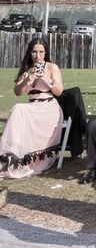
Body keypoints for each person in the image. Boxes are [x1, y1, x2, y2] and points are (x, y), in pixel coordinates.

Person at [0, 38, 64, 179]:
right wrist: (27, 78)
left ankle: (18, 157)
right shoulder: (27, 69)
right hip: (32, 107)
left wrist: (46, 79)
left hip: (48, 108)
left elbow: (59, 91)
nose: (38, 55)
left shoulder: (52, 67)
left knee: (19, 109)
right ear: (30, 53)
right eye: (34, 52)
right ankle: (13, 157)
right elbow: (17, 92)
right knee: (19, 108)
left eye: (41, 51)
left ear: (45, 52)